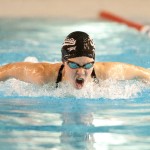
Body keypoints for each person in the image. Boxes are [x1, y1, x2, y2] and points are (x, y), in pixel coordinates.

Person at [0, 31, 150, 89]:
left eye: (87, 65)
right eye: (73, 64)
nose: (81, 72)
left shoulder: (106, 72)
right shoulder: (42, 75)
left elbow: (144, 73)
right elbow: (7, 70)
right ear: (64, 62)